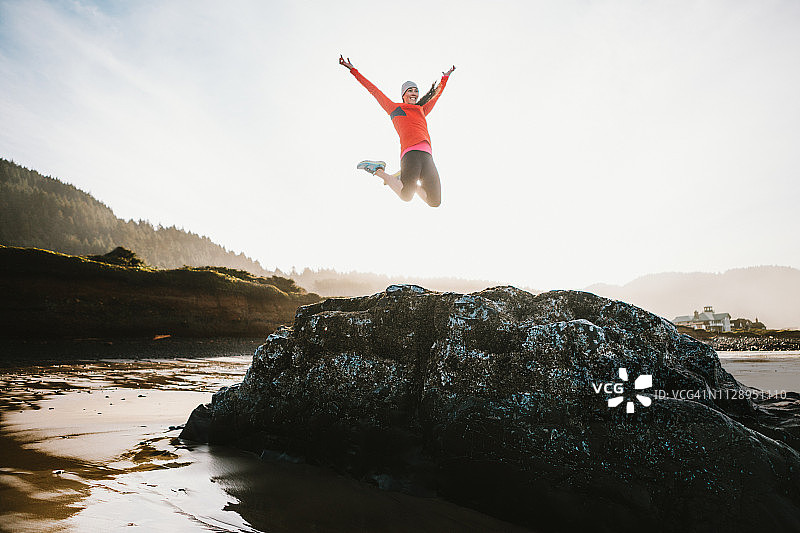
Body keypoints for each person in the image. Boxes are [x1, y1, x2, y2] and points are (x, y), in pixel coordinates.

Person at [339, 55, 455, 207]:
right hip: (410, 154)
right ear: (403, 94)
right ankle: (378, 170)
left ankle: (401, 178)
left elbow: (436, 96)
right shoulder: (395, 109)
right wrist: (353, 70)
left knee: (435, 202)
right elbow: (374, 90)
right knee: (406, 196)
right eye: (410, 91)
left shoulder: (421, 110)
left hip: (427, 156)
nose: (414, 93)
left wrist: (445, 78)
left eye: (416, 91)